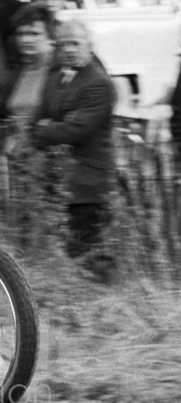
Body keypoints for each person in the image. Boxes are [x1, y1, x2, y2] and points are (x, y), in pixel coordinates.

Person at [32, 20, 116, 274]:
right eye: (63, 44)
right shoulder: (56, 77)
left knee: (87, 249)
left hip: (88, 183)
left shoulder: (99, 84)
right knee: (68, 249)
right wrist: (47, 128)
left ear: (90, 46)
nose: (68, 49)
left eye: (75, 43)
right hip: (61, 179)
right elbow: (37, 119)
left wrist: (47, 129)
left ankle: (100, 301)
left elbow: (76, 130)